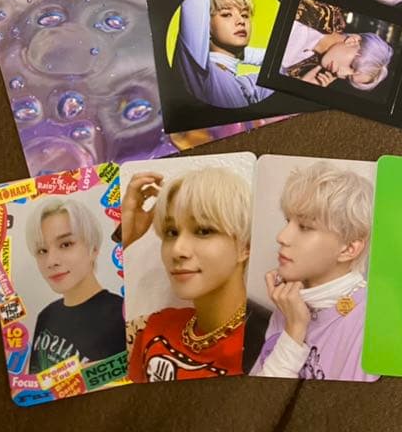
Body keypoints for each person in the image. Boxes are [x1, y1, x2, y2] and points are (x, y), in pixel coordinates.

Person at [124, 168, 266, 382]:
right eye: (171, 232)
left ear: (245, 246)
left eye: (203, 231)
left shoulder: (272, 346)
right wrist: (124, 237)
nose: (177, 250)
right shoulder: (156, 327)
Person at [250, 161, 377, 381]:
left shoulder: (370, 325)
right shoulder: (288, 302)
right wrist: (294, 327)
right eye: (287, 221)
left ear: (349, 248)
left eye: (305, 227)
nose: (281, 236)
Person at [25, 196, 125, 374]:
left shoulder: (121, 316)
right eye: (42, 250)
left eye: (65, 244)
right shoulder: (46, 315)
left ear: (93, 249)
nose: (51, 261)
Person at [174, 0, 274, 108]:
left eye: (244, 15)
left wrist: (241, 54)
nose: (241, 21)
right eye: (226, 14)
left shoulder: (247, 87)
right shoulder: (199, 72)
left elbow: (287, 63)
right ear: (206, 25)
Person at [280, 0, 393, 91]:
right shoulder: (314, 9)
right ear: (353, 41)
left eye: (348, 77)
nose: (340, 74)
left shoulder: (301, 70)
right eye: (352, 66)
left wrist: (299, 87)